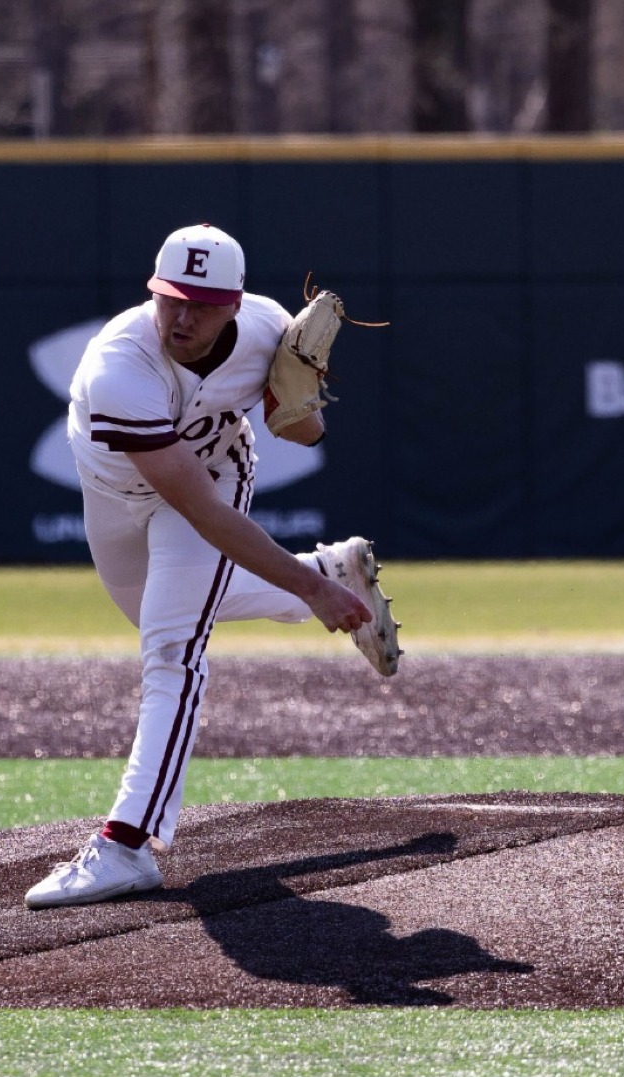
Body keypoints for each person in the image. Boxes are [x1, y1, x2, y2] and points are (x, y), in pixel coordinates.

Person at [25, 223, 401, 910]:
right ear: (153, 292)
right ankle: (329, 568)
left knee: (171, 646)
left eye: (201, 303)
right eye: (171, 298)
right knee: (161, 613)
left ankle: (125, 845)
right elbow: (199, 514)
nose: (183, 316)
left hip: (214, 471)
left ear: (233, 303)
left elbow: (304, 433)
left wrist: (298, 391)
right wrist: (308, 585)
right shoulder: (119, 365)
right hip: (115, 490)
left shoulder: (266, 329)